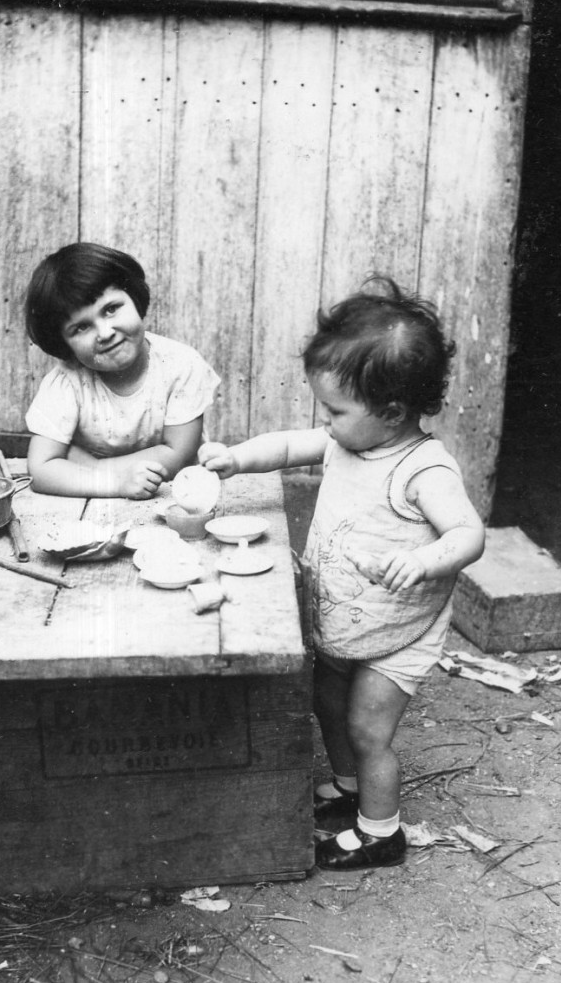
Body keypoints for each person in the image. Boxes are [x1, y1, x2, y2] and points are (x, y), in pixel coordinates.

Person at [199, 277, 485, 870]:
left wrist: (423, 559)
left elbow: (467, 535)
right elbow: (281, 448)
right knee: (327, 705)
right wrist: (234, 458)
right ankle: (351, 790)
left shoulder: (423, 468)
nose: (323, 421)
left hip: (397, 633)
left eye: (334, 409)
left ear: (392, 412)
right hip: (343, 618)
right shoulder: (346, 440)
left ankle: (382, 832)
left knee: (367, 728)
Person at [24, 243, 220, 498]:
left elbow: (177, 455)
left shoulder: (180, 366)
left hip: (179, 498)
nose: (105, 333)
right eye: (82, 327)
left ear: (134, 299)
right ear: (64, 344)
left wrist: (93, 467)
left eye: (111, 309)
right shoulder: (66, 382)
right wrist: (115, 483)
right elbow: (41, 470)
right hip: (94, 504)